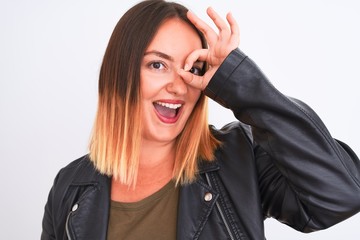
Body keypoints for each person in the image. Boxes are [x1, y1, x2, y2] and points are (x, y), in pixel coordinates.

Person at [41, 0, 360, 239]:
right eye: (157, 65)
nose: (178, 84)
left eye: (192, 68)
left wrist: (241, 86)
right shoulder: (70, 185)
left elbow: (342, 194)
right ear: (118, 74)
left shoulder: (239, 157)